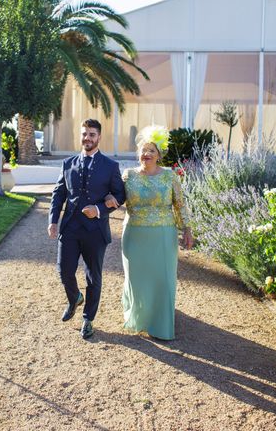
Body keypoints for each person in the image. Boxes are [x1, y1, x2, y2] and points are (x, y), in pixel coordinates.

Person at [106, 125, 193, 340]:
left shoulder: (170, 177)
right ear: (138, 153)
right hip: (135, 235)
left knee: (163, 278)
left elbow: (180, 205)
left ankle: (161, 323)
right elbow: (117, 198)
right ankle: (139, 317)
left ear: (159, 155)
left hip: (163, 235)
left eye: (151, 150)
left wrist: (187, 229)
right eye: (144, 150)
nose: (147, 154)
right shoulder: (128, 176)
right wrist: (109, 199)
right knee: (137, 279)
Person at [48, 119, 126, 339]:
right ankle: (74, 298)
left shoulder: (111, 166)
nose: (87, 138)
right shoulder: (68, 164)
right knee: (64, 271)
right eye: (84, 134)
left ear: (99, 137)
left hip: (95, 231)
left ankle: (87, 319)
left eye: (92, 134)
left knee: (93, 277)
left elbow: (120, 195)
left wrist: (99, 209)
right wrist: (53, 220)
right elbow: (58, 195)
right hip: (70, 227)